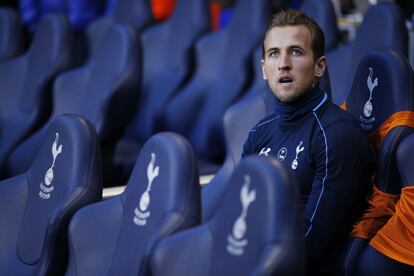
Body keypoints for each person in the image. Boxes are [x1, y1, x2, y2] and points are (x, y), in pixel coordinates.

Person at [241, 9, 375, 275]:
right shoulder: (259, 133)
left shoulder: (337, 135)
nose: (283, 64)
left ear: (319, 66)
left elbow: (308, 245)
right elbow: (238, 213)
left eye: (296, 52)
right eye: (274, 53)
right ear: (264, 69)